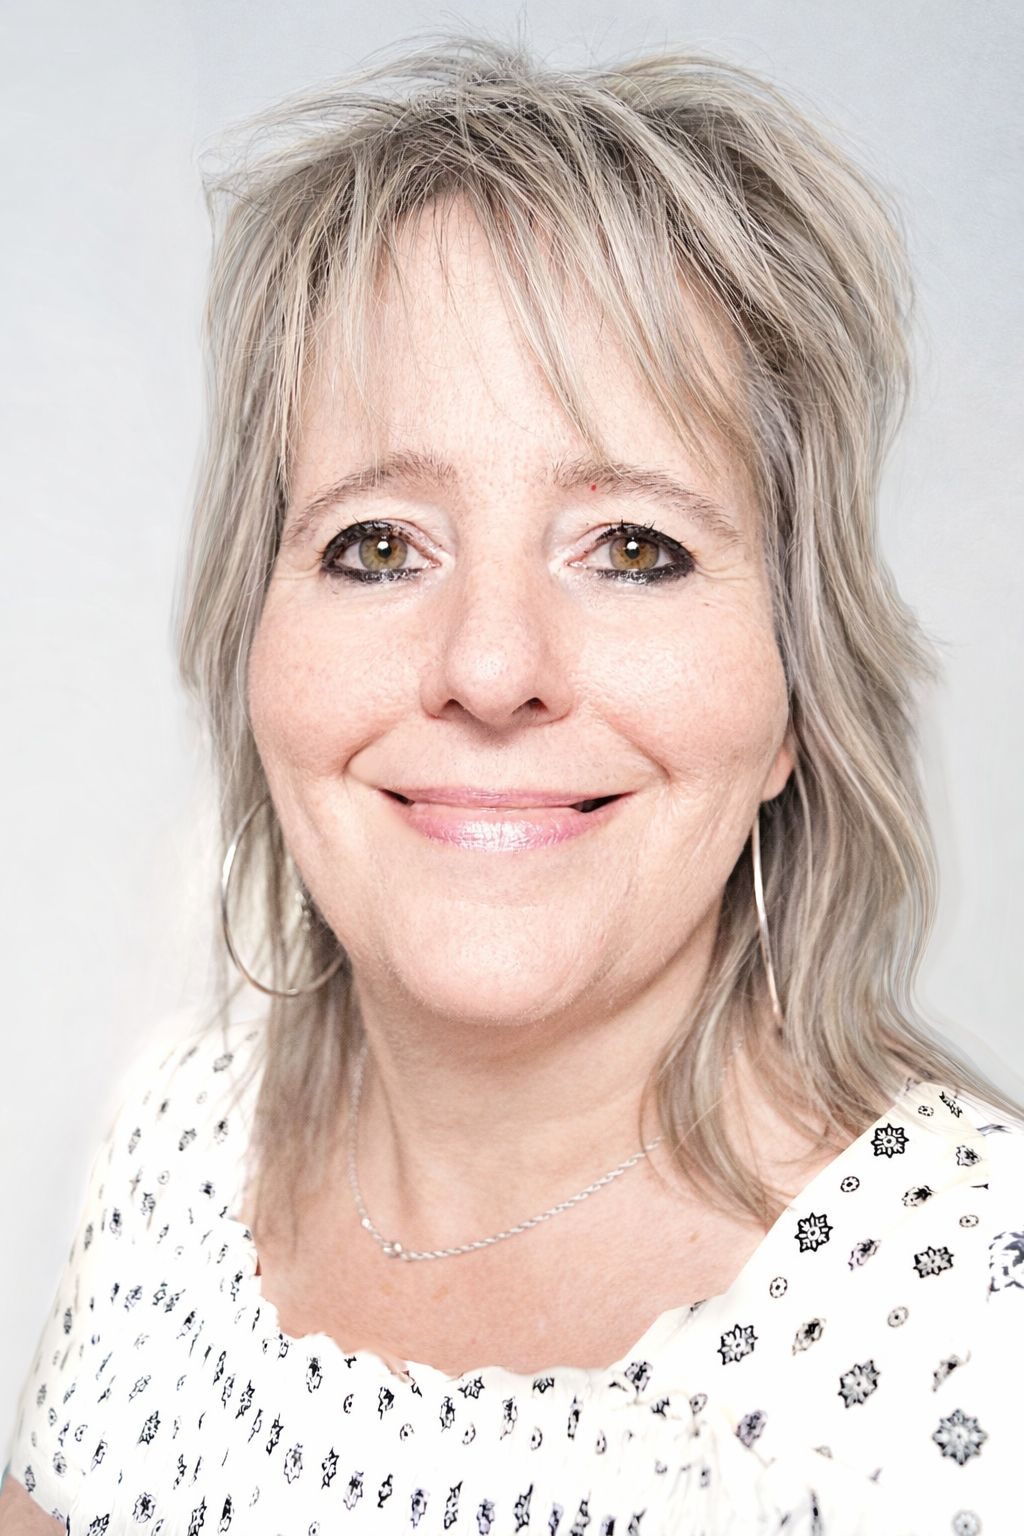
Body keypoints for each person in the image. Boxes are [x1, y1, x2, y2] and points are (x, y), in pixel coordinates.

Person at [3, 29, 1022, 1536]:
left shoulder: (969, 1338)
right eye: (377, 545)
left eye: (634, 549)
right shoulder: (176, 1137)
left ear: (797, 697)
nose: (490, 667)